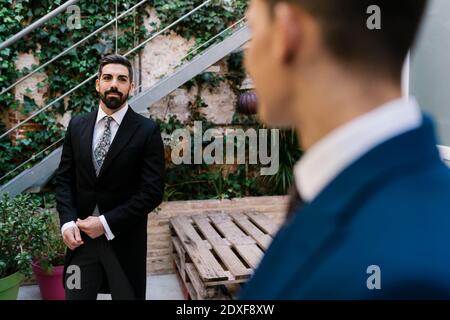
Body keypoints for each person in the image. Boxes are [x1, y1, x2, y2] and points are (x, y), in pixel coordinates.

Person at [239, 0, 450, 299]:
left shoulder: (408, 281)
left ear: (287, 31)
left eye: (252, 29)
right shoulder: (343, 192)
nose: (247, 58)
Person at [56, 54, 165, 300]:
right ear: (98, 84)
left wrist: (104, 223)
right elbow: (64, 180)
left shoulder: (147, 131)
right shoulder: (77, 126)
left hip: (124, 243)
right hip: (80, 242)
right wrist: (66, 222)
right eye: (108, 77)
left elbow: (152, 192)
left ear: (131, 87)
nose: (114, 84)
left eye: (121, 79)